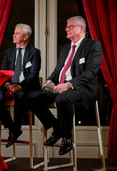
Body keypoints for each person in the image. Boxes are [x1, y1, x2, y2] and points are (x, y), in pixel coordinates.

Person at [27, 16, 102, 155]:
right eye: (66, 27)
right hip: (60, 86)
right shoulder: (65, 48)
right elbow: (58, 70)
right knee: (32, 97)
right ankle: (57, 128)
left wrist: (69, 84)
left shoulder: (93, 45)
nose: (66, 29)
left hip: (81, 87)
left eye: (70, 26)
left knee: (62, 99)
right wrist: (49, 81)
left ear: (82, 28)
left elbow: (91, 72)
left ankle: (67, 137)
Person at [0, 23, 41, 148]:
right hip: (10, 84)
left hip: (26, 86)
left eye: (17, 33)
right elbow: (4, 72)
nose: (13, 35)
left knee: (20, 96)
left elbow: (33, 75)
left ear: (25, 37)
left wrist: (19, 86)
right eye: (14, 32)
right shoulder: (9, 52)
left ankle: (16, 127)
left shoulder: (34, 52)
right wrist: (8, 84)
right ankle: (13, 128)